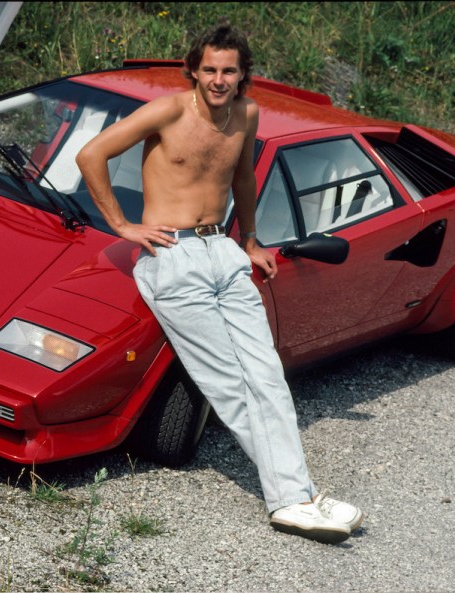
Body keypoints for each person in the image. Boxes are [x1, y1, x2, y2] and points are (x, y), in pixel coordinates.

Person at [76, 24, 363, 544]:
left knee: (268, 375)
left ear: (243, 74)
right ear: (194, 69)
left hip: (223, 252)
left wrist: (250, 240)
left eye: (228, 70)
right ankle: (293, 498)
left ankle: (296, 495)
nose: (218, 79)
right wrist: (123, 226)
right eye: (209, 69)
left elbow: (243, 179)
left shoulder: (247, 115)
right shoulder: (167, 111)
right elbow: (91, 155)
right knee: (230, 384)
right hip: (173, 255)